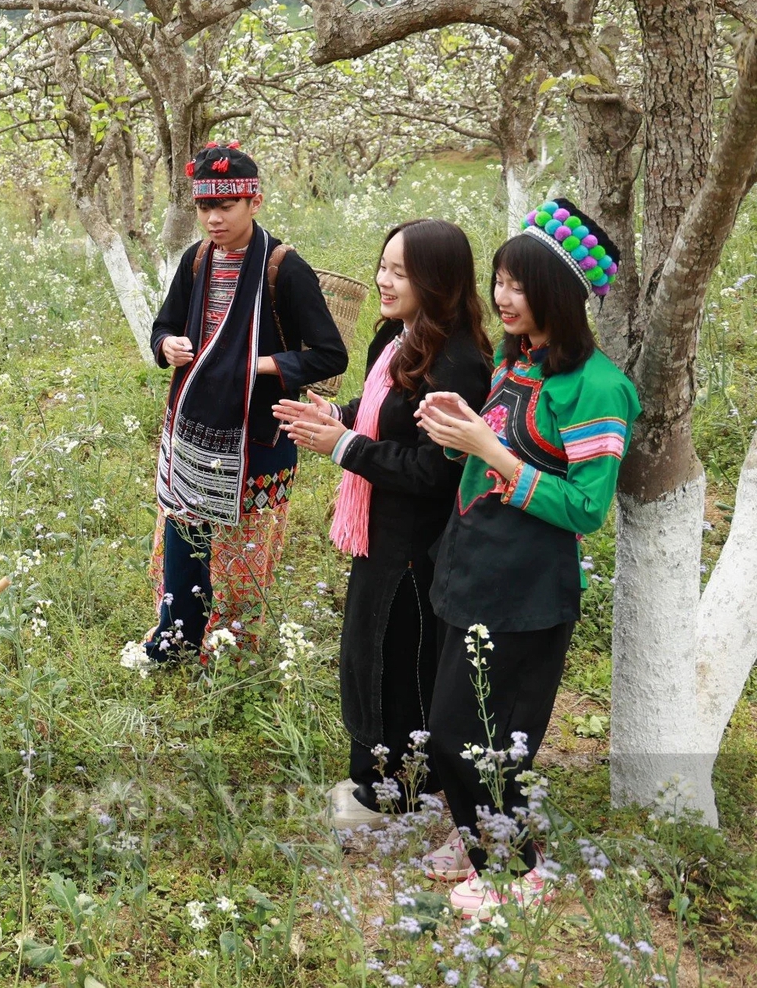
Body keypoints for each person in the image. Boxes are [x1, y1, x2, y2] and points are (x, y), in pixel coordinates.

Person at [414, 198, 636, 916]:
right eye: (501, 280)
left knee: (477, 731)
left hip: (526, 588)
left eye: (520, 284)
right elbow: (491, 451)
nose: (503, 297)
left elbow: (587, 508)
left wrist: (490, 451)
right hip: (473, 565)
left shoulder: (598, 388)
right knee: (455, 721)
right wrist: (458, 436)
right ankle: (476, 830)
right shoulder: (518, 360)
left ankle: (515, 868)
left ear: (561, 295)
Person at [274, 220, 493, 828]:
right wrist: (337, 414)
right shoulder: (398, 339)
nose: (383, 280)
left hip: (417, 547)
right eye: (383, 265)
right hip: (379, 534)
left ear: (437, 279)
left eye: (401, 271)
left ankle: (399, 792)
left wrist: (344, 445)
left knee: (401, 662)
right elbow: (382, 414)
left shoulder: (457, 363)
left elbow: (433, 470)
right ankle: (373, 780)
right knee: (367, 653)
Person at [143, 142, 348, 661]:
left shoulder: (284, 268)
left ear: (254, 202)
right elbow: (165, 324)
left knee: (245, 546)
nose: (213, 219)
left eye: (225, 206)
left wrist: (260, 364)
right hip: (193, 430)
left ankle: (231, 647)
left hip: (259, 434)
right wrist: (167, 345)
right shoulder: (196, 261)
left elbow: (330, 355)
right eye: (205, 207)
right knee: (185, 531)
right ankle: (177, 635)